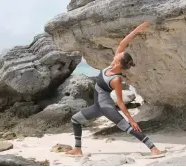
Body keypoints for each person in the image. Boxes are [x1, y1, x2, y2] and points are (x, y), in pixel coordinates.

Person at [65, 21, 162, 157]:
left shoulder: (116, 79)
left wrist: (132, 120)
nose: (117, 53)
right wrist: (137, 30)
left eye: (119, 55)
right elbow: (123, 43)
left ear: (118, 61)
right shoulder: (111, 66)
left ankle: (154, 149)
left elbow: (121, 103)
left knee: (128, 128)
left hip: (107, 108)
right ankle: (78, 150)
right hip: (97, 107)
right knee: (75, 119)